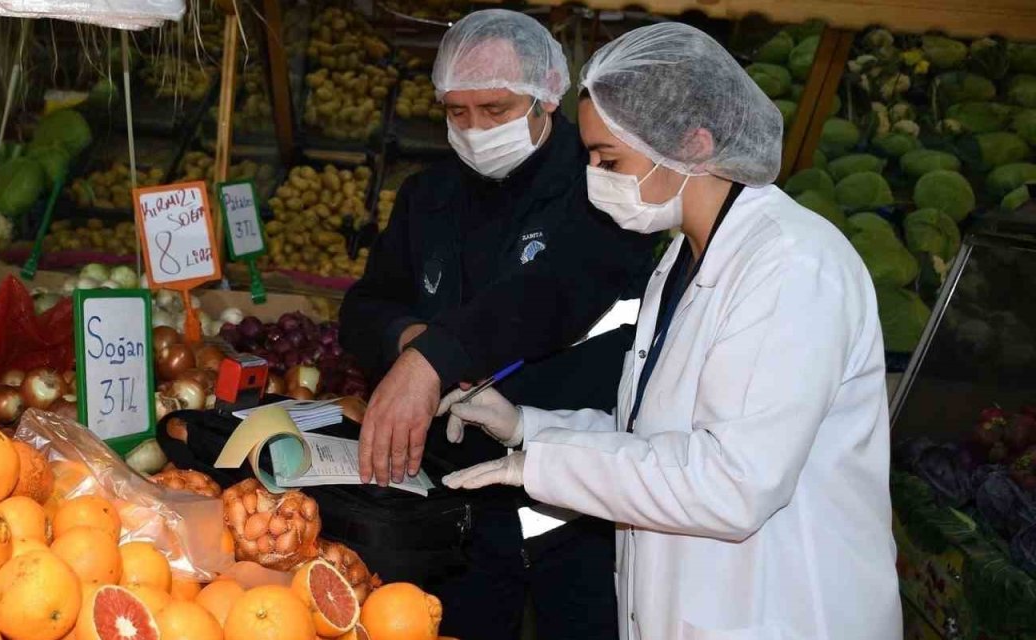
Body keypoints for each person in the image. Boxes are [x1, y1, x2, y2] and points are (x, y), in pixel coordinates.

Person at [440, 22, 902, 640]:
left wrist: (539, 467)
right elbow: (656, 439)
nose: (595, 177)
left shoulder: (793, 267)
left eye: (610, 160)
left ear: (694, 144)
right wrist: (527, 425)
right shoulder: (682, 258)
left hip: (784, 612)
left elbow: (730, 484)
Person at [339, 9, 654, 639]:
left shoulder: (605, 183)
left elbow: (550, 294)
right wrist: (406, 342)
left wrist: (433, 359)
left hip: (578, 494)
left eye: (496, 109)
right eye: (458, 113)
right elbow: (364, 306)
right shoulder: (428, 195)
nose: (476, 128)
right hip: (454, 494)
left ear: (547, 99)